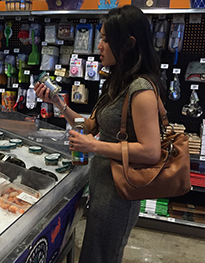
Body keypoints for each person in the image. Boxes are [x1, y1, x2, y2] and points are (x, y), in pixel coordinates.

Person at [34, 5, 165, 263]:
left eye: (105, 39)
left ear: (128, 44)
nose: (99, 45)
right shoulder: (117, 82)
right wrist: (59, 104)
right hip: (103, 189)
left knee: (102, 257)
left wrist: (93, 147)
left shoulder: (141, 90)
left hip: (119, 196)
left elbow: (151, 152)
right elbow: (90, 125)